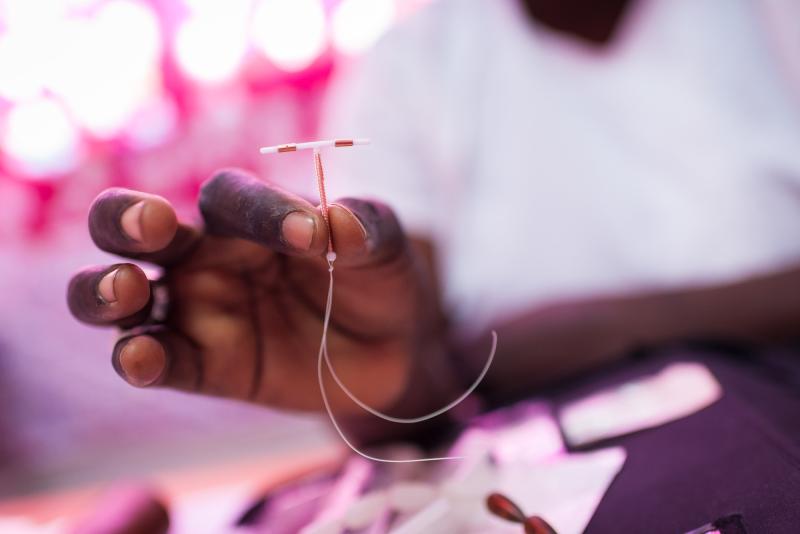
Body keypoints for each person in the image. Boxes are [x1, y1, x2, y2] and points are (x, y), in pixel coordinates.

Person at [67, 0, 800, 530]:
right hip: (515, 445)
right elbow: (403, 386)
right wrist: (362, 378)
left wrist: (598, 326)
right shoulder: (411, 63)